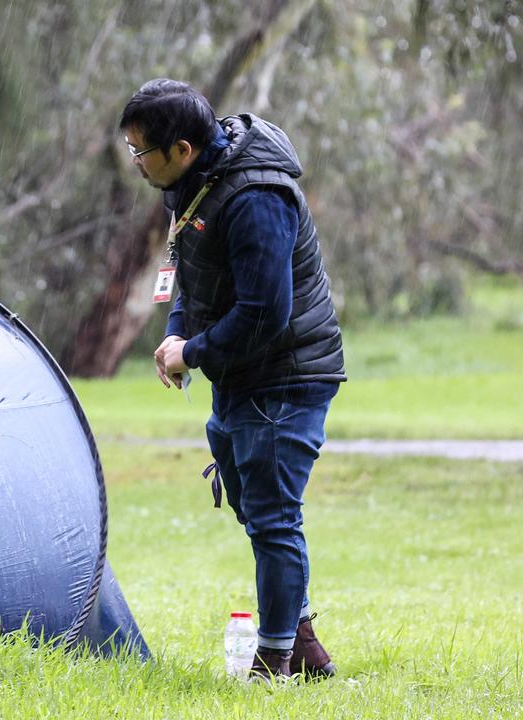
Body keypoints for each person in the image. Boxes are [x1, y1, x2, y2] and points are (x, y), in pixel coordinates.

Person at [120, 78, 346, 680]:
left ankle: (273, 662)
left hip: (286, 374)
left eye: (142, 151)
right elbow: (187, 271)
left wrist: (191, 352)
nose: (136, 162)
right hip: (241, 370)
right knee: (251, 503)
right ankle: (302, 645)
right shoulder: (192, 186)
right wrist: (177, 332)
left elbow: (265, 313)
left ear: (184, 148)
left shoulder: (254, 198)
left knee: (273, 515)